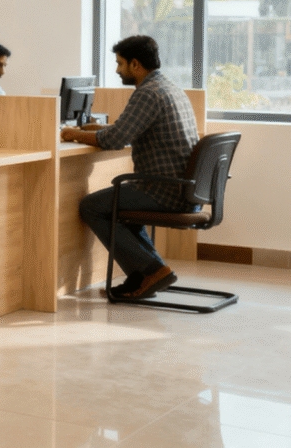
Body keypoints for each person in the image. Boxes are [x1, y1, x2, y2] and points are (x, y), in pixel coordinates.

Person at [60, 35, 198, 299]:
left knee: (92, 206)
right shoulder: (167, 87)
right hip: (180, 188)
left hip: (161, 190)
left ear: (135, 64)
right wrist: (95, 129)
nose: (116, 70)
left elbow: (115, 140)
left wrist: (72, 134)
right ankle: (147, 273)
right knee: (121, 209)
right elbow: (125, 130)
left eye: (120, 63)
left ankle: (150, 270)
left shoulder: (147, 94)